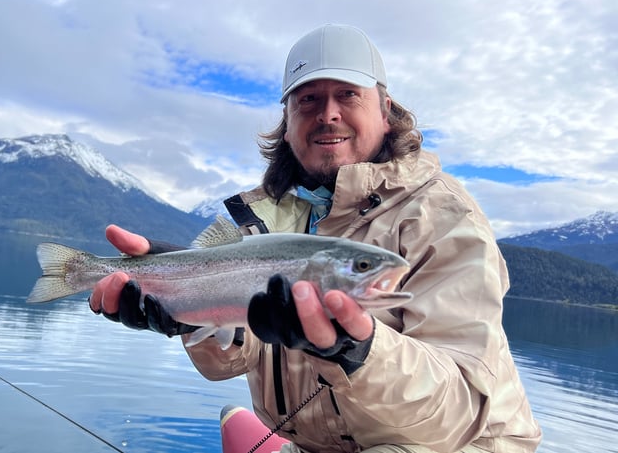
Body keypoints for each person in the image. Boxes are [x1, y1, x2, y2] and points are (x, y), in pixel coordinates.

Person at [89, 24, 542, 452]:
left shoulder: (444, 216)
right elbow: (229, 361)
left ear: (385, 112)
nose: (328, 113)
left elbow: (462, 410)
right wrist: (190, 310)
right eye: (307, 100)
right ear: (286, 121)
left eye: (348, 95)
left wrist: (358, 350)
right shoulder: (264, 218)